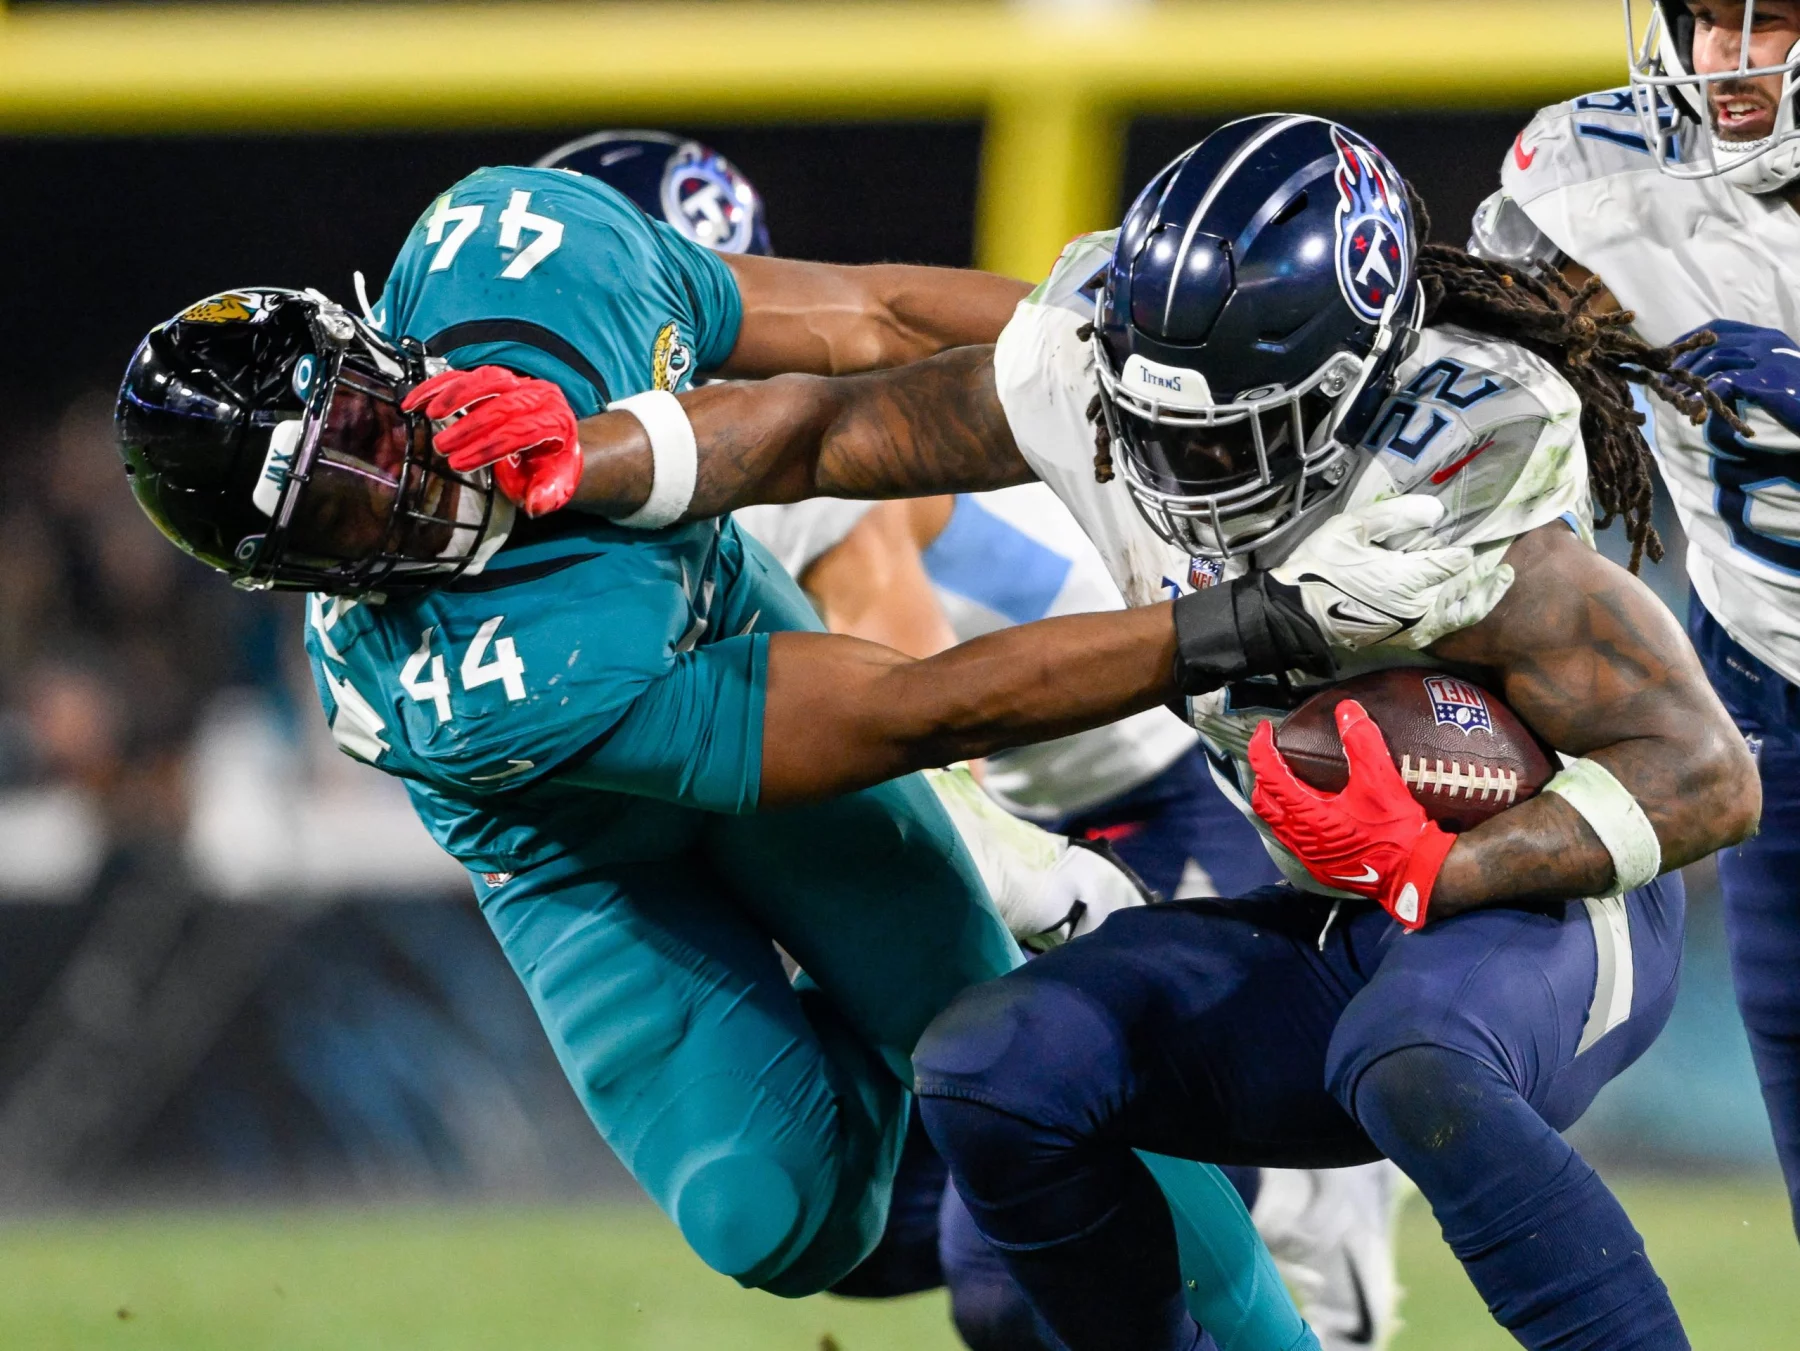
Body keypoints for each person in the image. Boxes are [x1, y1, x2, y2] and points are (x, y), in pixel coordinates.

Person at [433, 115, 1760, 1350]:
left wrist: (1443, 866)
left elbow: (1706, 772)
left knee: (1407, 1059)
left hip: (1543, 916)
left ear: (1359, 385)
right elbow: (829, 426)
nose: (1173, 470)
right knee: (993, 1067)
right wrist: (598, 446)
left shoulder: (1456, 472)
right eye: (1147, 421)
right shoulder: (1100, 376)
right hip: (1319, 897)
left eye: (1228, 430)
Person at [110, 153, 1468, 1348]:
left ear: (376, 340)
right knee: (770, 1214)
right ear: (285, 574)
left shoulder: (546, 261)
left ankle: (1269, 1299)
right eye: (337, 518)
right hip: (583, 829)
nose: (394, 485)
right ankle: (911, 1051)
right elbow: (925, 710)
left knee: (1026, 1097)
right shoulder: (468, 679)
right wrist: (1234, 624)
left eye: (361, 424)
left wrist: (1144, 355)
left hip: (836, 689)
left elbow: (874, 320)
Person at [543, 129, 1401, 1351]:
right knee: (872, 1210)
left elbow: (921, 728)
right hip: (1011, 802)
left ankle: (1298, 1178)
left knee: (1016, 1257)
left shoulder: (772, 466)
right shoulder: (652, 481)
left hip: (1141, 796)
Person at [1474, 0, 1800, 1245]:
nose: (1726, 58)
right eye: (1708, 19)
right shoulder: (1607, 174)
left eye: (1770, 19)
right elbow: (1482, 367)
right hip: (1765, 679)